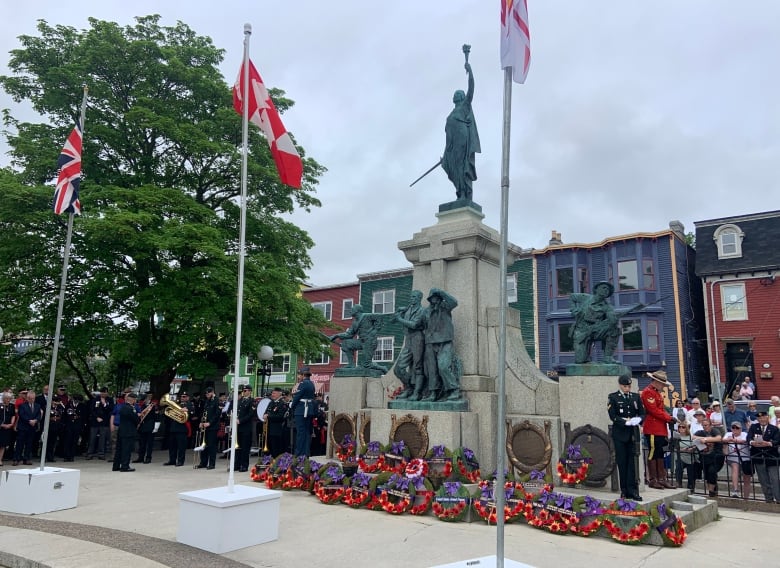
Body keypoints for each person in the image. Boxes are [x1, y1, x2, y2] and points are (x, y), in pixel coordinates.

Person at [442, 50, 480, 202]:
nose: (455, 94)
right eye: (455, 93)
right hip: (452, 145)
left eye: (458, 93)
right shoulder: (452, 113)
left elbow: (471, 88)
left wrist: (470, 70)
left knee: (463, 166)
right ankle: (459, 192)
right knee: (454, 167)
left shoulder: (464, 106)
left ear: (462, 97)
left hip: (463, 143)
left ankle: (464, 194)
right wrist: (446, 153)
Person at [608, 372, 645, 500]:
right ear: (620, 385)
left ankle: (633, 490)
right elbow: (613, 416)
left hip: (633, 434)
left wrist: (638, 420)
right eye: (625, 386)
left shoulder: (635, 397)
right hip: (620, 434)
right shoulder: (613, 397)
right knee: (622, 463)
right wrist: (625, 421)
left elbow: (642, 413)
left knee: (633, 463)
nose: (627, 388)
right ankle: (624, 489)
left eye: (629, 386)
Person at [421, 288, 461, 402]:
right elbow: (422, 324)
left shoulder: (445, 307)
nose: (434, 298)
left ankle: (454, 389)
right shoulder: (426, 311)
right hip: (430, 342)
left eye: (436, 296)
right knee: (431, 370)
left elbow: (454, 302)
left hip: (445, 340)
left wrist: (442, 293)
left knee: (443, 366)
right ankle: (433, 393)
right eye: (432, 296)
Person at [569, 281, 620, 364]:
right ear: (596, 289)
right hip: (581, 331)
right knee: (580, 361)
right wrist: (574, 310)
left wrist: (613, 319)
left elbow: (612, 320)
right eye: (604, 287)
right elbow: (571, 297)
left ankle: (608, 357)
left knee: (614, 329)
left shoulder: (608, 307)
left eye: (608, 289)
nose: (606, 290)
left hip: (596, 330)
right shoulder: (585, 298)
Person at [641, 370, 676, 489]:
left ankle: (661, 478)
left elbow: (660, 409)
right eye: (662, 384)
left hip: (659, 427)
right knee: (653, 451)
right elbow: (653, 410)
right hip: (652, 428)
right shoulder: (648, 392)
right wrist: (668, 417)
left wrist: (669, 417)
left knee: (659, 452)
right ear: (656, 382)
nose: (663, 387)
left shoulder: (655, 393)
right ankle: (653, 479)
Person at [393, 290, 426, 400]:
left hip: (418, 338)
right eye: (411, 296)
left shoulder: (422, 310)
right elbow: (393, 321)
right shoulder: (408, 309)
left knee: (418, 366)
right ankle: (409, 387)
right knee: (398, 369)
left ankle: (417, 392)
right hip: (408, 339)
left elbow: (414, 324)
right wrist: (398, 312)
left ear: (419, 298)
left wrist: (400, 319)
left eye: (414, 297)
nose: (411, 298)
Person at [329, 304, 383, 370]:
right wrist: (336, 335)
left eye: (352, 309)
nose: (350, 311)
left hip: (370, 341)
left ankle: (382, 368)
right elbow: (349, 334)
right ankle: (351, 364)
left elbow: (379, 316)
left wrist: (375, 330)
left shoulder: (366, 316)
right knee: (346, 343)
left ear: (357, 310)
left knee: (367, 365)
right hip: (361, 342)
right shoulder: (354, 323)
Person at [747, 410, 780, 503]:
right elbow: (748, 438)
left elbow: (777, 440)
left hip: (771, 457)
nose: (762, 419)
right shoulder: (754, 427)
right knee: (763, 480)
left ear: (767, 417)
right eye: (760, 418)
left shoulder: (774, 428)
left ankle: (778, 499)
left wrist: (768, 443)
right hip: (759, 457)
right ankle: (768, 499)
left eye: (763, 417)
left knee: (775, 480)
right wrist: (752, 442)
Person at [692, 417, 724, 497]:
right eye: (703, 425)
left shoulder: (714, 430)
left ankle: (711, 491)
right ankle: (712, 490)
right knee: (707, 474)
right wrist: (704, 438)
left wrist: (706, 440)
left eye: (706, 425)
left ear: (710, 425)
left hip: (716, 456)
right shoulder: (701, 432)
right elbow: (693, 437)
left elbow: (718, 438)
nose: (705, 427)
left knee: (712, 471)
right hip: (706, 457)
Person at [722, 421, 752, 498]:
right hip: (732, 457)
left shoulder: (745, 434)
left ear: (741, 429)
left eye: (737, 428)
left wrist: (733, 440)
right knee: (735, 467)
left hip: (745, 458)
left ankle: (746, 498)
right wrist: (729, 439)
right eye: (733, 427)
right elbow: (723, 440)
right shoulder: (728, 434)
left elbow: (745, 441)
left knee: (746, 478)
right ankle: (735, 490)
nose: (735, 429)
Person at [291, 367, 316, 456]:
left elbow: (297, 397)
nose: (298, 377)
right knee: (306, 433)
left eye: (299, 374)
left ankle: (299, 454)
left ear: (303, 375)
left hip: (301, 411)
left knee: (300, 433)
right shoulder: (311, 384)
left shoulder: (303, 384)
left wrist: (292, 406)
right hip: (308, 410)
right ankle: (306, 453)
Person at [113, 392, 139, 472]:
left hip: (122, 431)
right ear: (133, 400)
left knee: (119, 449)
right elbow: (136, 420)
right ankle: (125, 466)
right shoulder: (131, 408)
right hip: (128, 432)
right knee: (126, 450)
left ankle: (116, 466)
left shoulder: (123, 407)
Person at [163, 391, 190, 467]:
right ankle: (172, 460)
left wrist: (186, 410)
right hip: (173, 428)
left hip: (182, 428)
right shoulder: (177, 404)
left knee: (181, 446)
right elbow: (169, 415)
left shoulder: (190, 405)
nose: (182, 398)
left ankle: (180, 461)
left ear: (188, 398)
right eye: (181, 396)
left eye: (184, 397)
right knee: (172, 445)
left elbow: (192, 413)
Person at [14, 390, 41, 466]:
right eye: (31, 398)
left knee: (29, 444)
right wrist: (29, 421)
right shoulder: (23, 405)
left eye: (33, 398)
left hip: (32, 428)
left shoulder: (37, 406)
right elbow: (21, 415)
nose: (32, 400)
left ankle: (27, 458)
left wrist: (35, 420)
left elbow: (39, 415)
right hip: (23, 427)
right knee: (20, 444)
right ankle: (16, 459)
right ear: (28, 398)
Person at [195, 387, 220, 470]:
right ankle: (203, 462)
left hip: (212, 427)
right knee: (203, 444)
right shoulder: (207, 401)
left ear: (212, 392)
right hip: (205, 426)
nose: (207, 395)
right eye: (206, 394)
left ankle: (212, 463)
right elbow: (204, 413)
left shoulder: (217, 401)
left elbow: (217, 414)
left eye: (208, 393)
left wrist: (209, 423)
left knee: (211, 446)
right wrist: (201, 422)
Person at [671, 422, 699, 493]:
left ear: (686, 428)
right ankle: (679, 484)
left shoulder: (690, 437)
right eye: (679, 427)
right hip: (680, 456)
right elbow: (673, 448)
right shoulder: (676, 437)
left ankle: (691, 487)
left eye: (683, 427)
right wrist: (682, 450)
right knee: (678, 469)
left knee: (691, 473)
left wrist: (692, 448)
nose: (681, 428)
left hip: (690, 457)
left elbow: (695, 445)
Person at [87, 387, 113, 460]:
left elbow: (110, 410)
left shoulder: (109, 400)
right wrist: (96, 417)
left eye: (105, 392)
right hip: (95, 422)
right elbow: (92, 410)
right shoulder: (95, 400)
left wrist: (105, 404)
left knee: (102, 439)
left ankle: (101, 453)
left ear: (107, 393)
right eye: (102, 392)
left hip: (104, 422)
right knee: (92, 438)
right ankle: (90, 453)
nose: (103, 394)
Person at [133, 392, 158, 464]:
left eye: (146, 398)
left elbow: (156, 416)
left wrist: (156, 427)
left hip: (150, 426)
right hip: (143, 426)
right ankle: (140, 457)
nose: (144, 400)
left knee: (149, 443)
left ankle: (148, 458)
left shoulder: (154, 406)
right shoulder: (143, 405)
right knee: (142, 443)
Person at [263, 388, 288, 458]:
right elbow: (266, 412)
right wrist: (265, 415)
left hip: (277, 431)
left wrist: (268, 416)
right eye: (272, 393)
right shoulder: (271, 403)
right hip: (269, 430)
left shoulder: (282, 404)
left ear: (280, 393)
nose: (272, 395)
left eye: (274, 393)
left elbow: (280, 417)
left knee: (276, 450)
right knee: (269, 449)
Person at [235, 385, 255, 472]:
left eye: (246, 390)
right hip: (238, 427)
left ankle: (244, 465)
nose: (244, 391)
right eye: (243, 390)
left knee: (245, 447)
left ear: (250, 391)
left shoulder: (252, 401)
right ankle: (237, 464)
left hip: (246, 427)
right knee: (238, 447)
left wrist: (241, 420)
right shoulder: (241, 400)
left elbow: (250, 414)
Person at [0, 392, 17, 466]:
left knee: (3, 444)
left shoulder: (12, 406)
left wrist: (11, 424)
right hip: (1, 426)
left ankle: (0, 460)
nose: (8, 400)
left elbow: (13, 415)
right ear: (3, 398)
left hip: (7, 427)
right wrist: (2, 424)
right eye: (6, 398)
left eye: (9, 398)